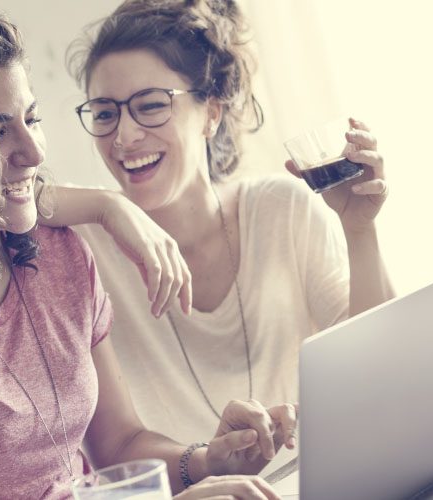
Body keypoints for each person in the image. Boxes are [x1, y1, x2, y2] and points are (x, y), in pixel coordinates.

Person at [0, 3, 297, 499]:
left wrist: (207, 461)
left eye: (32, 117)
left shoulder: (58, 253)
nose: (34, 152)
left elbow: (120, 445)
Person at [49, 0, 396, 445]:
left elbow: (378, 367)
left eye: (151, 105)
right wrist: (108, 206)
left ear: (211, 113)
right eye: (104, 113)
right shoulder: (83, 242)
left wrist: (360, 230)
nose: (124, 135)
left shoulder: (280, 208)